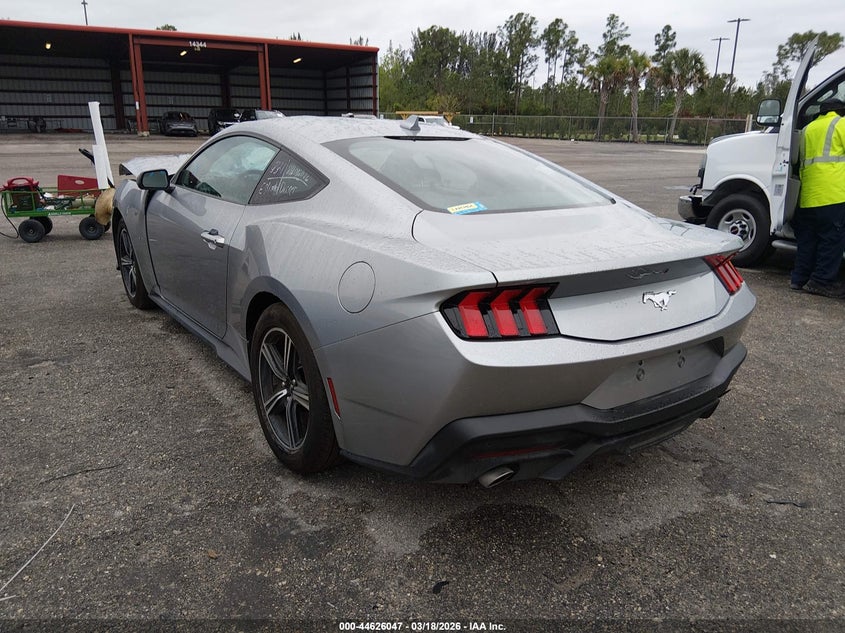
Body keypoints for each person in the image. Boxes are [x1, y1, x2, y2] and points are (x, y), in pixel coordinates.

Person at [791, 98, 845, 298]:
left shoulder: (808, 129)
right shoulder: (841, 124)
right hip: (833, 193)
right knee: (831, 240)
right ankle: (821, 282)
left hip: (808, 195)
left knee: (807, 240)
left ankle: (799, 278)